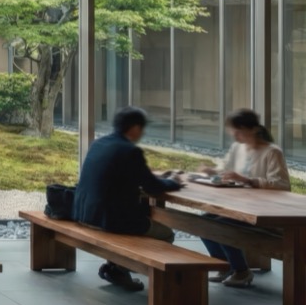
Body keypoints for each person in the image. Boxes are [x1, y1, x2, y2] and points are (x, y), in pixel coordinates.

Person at [73, 107, 181, 291]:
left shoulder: (99, 143)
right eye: (142, 128)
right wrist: (173, 182)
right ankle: (124, 269)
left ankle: (117, 267)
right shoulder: (130, 151)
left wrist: (153, 177)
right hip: (109, 219)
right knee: (166, 233)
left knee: (142, 222)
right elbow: (152, 187)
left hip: (84, 214)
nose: (142, 132)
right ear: (135, 128)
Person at [197, 108, 290, 287]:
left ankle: (241, 271)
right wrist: (211, 171)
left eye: (238, 131)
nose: (235, 135)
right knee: (203, 222)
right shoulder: (237, 148)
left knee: (222, 225)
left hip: (263, 210)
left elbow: (282, 184)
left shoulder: (272, 152)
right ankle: (225, 265)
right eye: (234, 131)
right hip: (239, 205)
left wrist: (249, 180)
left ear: (253, 129)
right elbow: (226, 169)